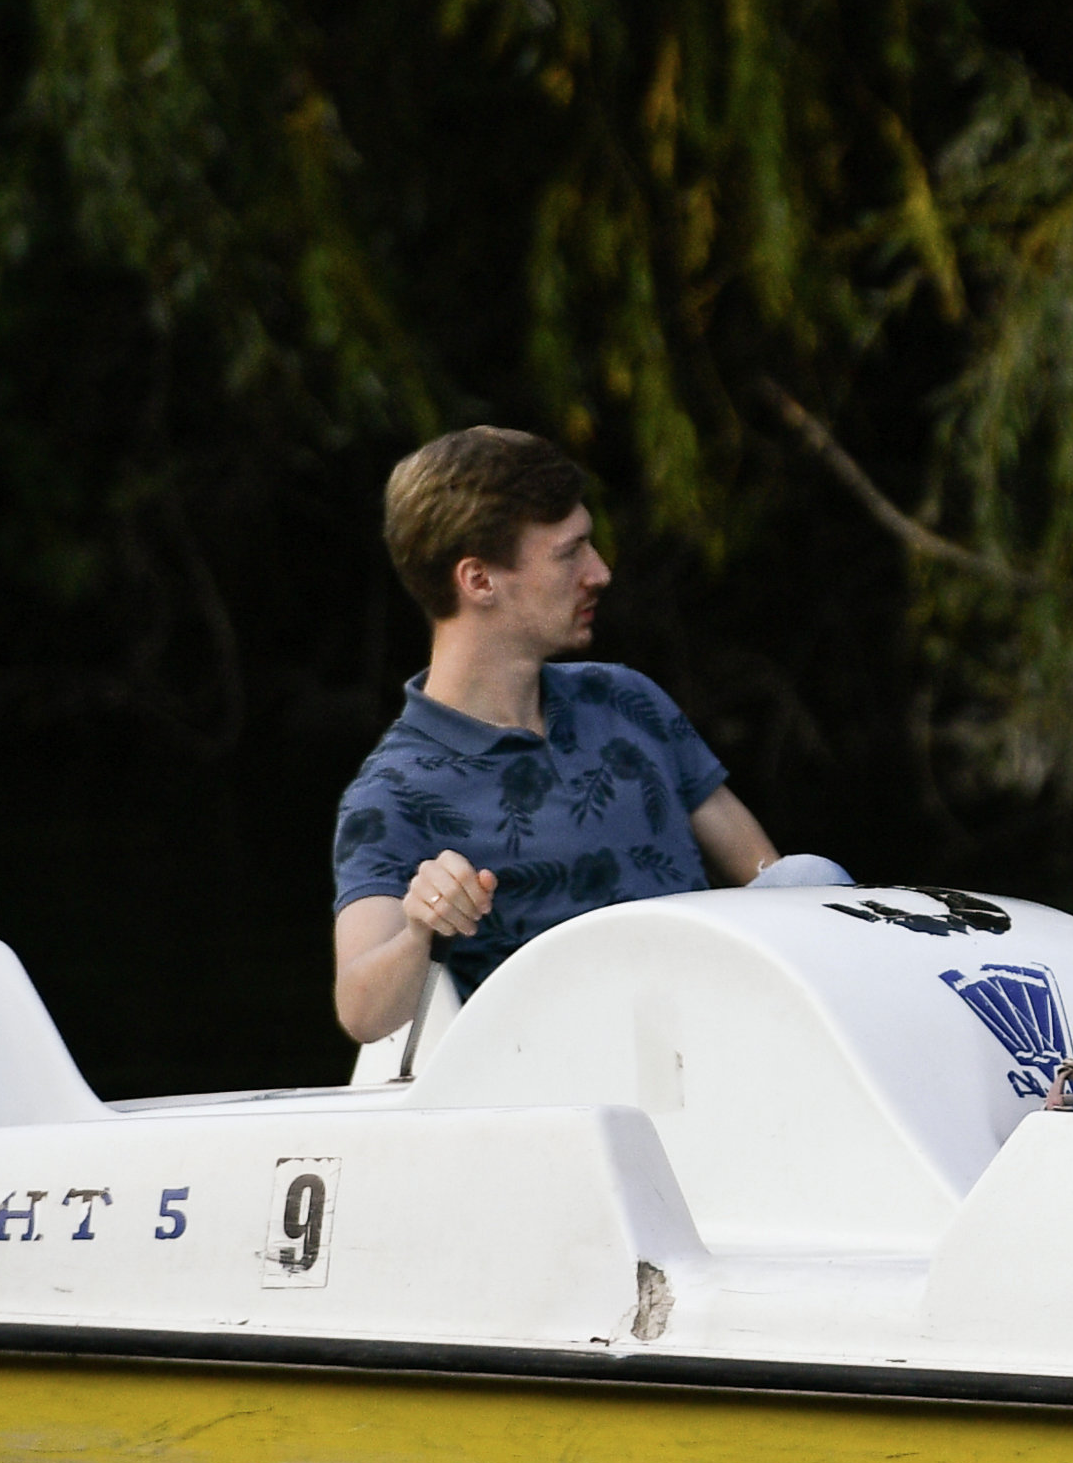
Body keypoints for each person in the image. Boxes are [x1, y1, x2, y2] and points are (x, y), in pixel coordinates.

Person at [327, 426, 802, 1046]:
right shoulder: (392, 794)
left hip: (725, 1042)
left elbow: (769, 881)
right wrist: (419, 928)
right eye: (569, 552)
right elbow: (362, 1011)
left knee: (810, 877)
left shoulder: (627, 698)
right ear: (478, 581)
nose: (600, 573)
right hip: (579, 1096)